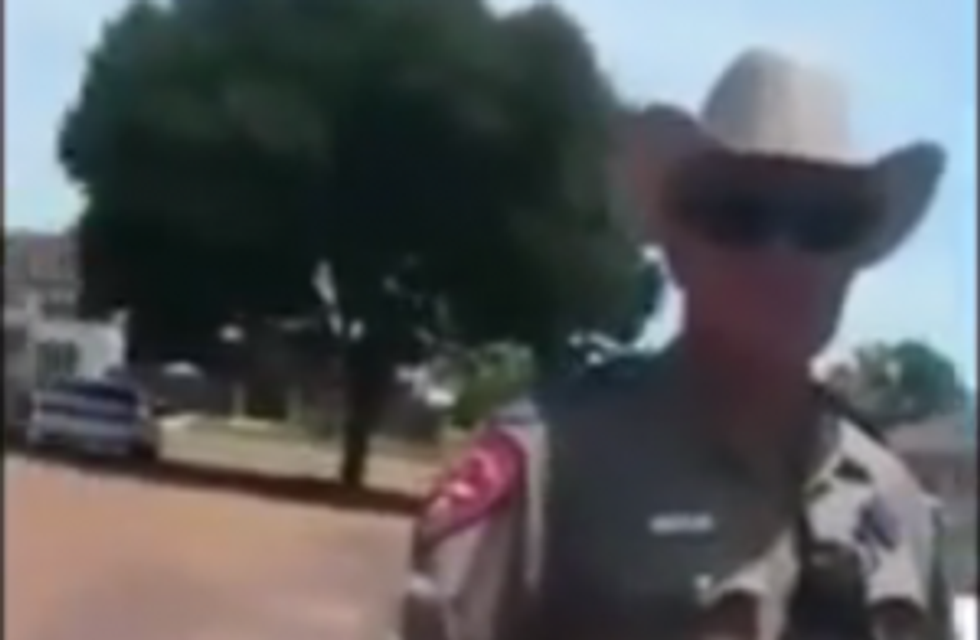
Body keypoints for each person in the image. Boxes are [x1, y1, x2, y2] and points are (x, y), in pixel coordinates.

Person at [391, 48, 954, 640]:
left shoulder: (897, 504)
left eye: (827, 225)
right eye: (740, 216)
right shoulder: (555, 462)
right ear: (678, 250)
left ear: (856, 257)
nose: (783, 257)